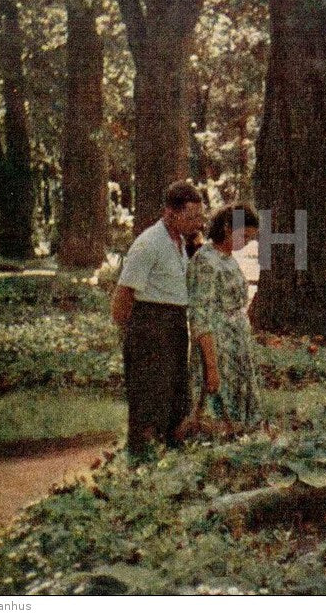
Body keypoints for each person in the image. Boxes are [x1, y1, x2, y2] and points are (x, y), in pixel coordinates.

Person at [112, 181, 206, 460]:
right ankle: (142, 459)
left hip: (175, 324)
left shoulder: (180, 243)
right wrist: (133, 335)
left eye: (199, 217)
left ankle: (170, 459)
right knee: (149, 396)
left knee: (175, 395)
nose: (197, 223)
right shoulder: (149, 243)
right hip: (150, 325)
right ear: (170, 213)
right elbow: (123, 295)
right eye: (191, 217)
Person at [187, 203, 262, 428]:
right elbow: (201, 316)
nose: (246, 242)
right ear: (228, 227)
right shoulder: (206, 261)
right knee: (217, 408)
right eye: (244, 236)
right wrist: (211, 366)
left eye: (250, 238)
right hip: (217, 346)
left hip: (236, 344)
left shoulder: (228, 257)